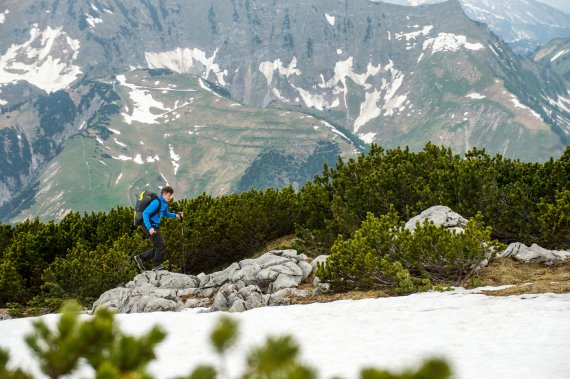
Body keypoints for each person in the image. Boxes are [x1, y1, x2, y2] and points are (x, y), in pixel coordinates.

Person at [133, 186, 183, 271]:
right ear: (163, 194)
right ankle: (156, 266)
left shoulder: (164, 203)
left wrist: (176, 216)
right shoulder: (157, 202)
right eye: (169, 195)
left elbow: (165, 213)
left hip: (154, 226)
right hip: (148, 225)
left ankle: (140, 257)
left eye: (171, 195)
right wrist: (149, 228)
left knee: (158, 245)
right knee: (161, 244)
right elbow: (145, 213)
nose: (170, 197)